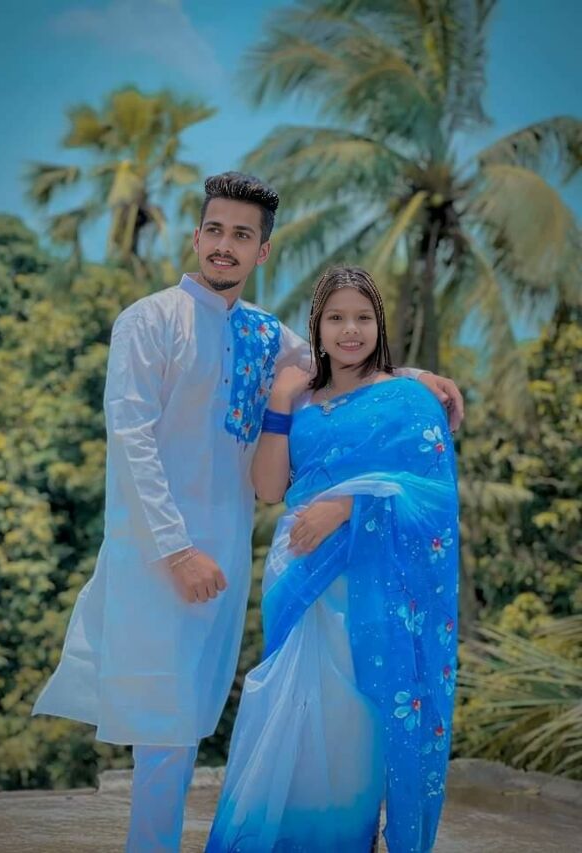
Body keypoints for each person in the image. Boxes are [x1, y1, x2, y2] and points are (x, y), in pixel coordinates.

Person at [31, 173, 463, 853]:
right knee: (164, 725)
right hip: (160, 554)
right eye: (214, 230)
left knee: (192, 716)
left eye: (241, 235)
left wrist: (413, 377)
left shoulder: (264, 334)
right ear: (196, 236)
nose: (224, 246)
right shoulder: (150, 320)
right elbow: (131, 440)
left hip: (228, 561)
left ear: (262, 251)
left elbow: (337, 358)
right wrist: (176, 551)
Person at [206, 267, 459, 853]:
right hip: (301, 576)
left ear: (380, 325)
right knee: (288, 712)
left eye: (363, 318)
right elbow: (270, 488)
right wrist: (278, 401)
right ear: (316, 328)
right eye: (336, 318)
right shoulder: (298, 399)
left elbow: (436, 498)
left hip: (374, 588)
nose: (350, 330)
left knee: (354, 728)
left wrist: (349, 506)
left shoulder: (409, 399)